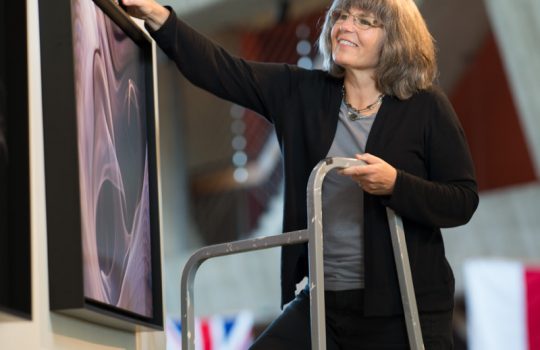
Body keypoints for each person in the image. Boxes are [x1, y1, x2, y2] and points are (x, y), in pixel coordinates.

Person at [122, 0, 479, 348]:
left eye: (365, 21)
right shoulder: (301, 92)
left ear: (397, 38)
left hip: (402, 307)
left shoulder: (425, 105)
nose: (345, 26)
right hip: (323, 302)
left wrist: (396, 185)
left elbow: (461, 199)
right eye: (342, 15)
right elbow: (222, 70)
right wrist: (160, 17)